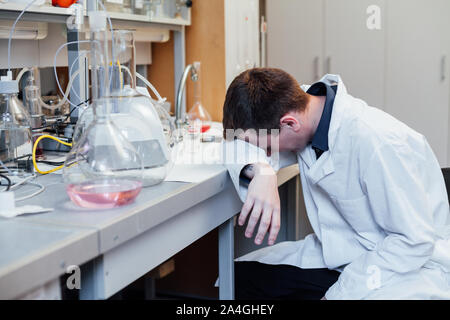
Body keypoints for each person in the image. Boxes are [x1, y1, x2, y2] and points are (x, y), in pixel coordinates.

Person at [222, 69, 450, 300]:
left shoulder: (378, 141)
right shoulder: (301, 105)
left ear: (289, 124)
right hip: (344, 253)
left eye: (267, 148)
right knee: (236, 279)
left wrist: (341, 293)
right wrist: (261, 171)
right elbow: (232, 143)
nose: (268, 154)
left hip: (403, 267)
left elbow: (414, 242)